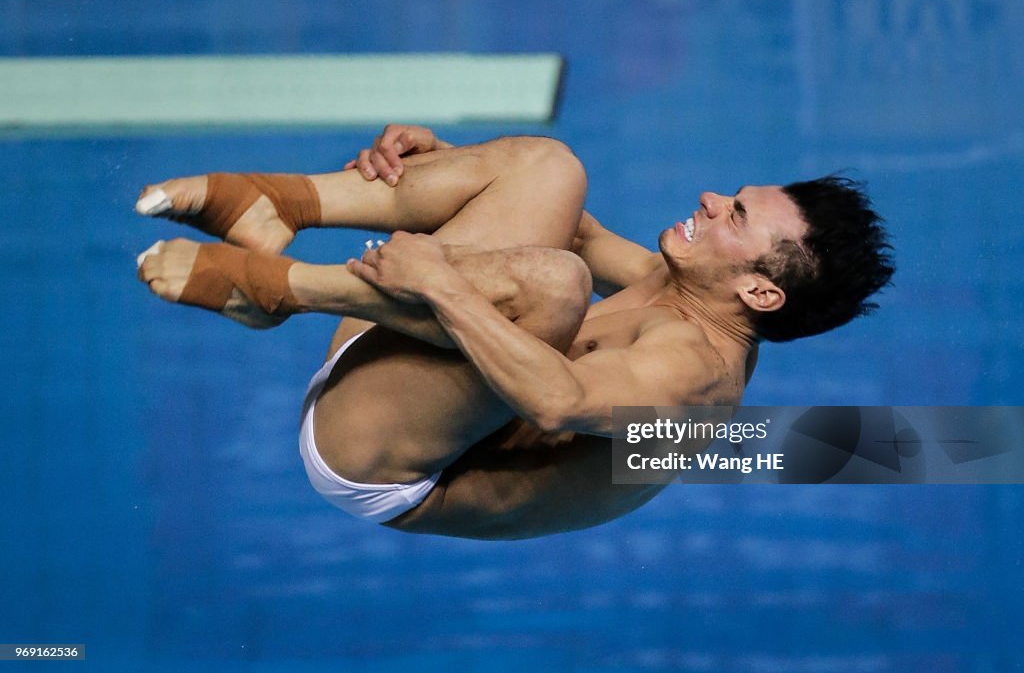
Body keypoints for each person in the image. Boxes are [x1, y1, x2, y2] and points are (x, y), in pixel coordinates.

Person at [135, 125, 894, 539]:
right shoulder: (682, 283)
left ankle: (276, 290)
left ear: (760, 290)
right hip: (403, 373)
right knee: (551, 166)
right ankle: (282, 204)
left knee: (556, 283)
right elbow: (560, 214)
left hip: (390, 463)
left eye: (736, 214)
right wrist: (434, 172)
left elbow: (558, 402)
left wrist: (436, 277)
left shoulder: (695, 383)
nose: (710, 196)